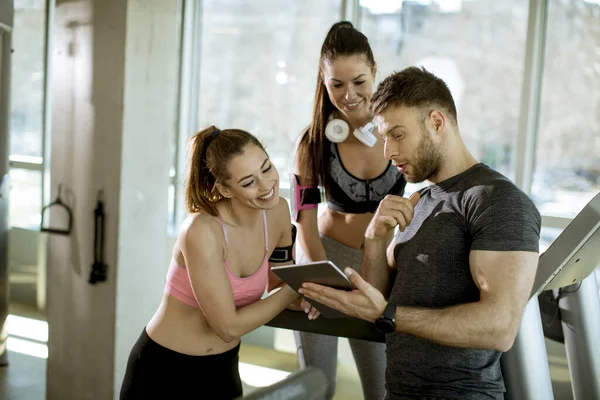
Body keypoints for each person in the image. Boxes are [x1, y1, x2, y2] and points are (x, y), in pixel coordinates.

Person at [298, 67, 541, 400]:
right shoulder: (419, 200)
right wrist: (375, 239)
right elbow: (377, 294)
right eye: (383, 138)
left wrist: (388, 315)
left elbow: (499, 327)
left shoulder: (498, 200)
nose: (388, 152)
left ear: (436, 123)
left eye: (397, 135)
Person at [120, 126, 318, 400]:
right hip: (164, 371)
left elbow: (279, 285)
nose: (266, 185)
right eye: (248, 182)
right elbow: (227, 327)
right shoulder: (202, 230)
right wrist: (291, 292)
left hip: (223, 369)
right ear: (224, 188)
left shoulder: (278, 211)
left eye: (266, 167)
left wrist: (307, 298)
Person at [293, 21, 406, 400]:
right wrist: (319, 278)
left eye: (359, 81)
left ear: (374, 71)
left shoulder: (399, 129)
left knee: (382, 384)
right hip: (326, 255)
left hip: (381, 267)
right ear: (323, 82)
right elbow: (304, 224)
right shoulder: (311, 143)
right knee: (316, 384)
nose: (349, 94)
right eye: (336, 84)